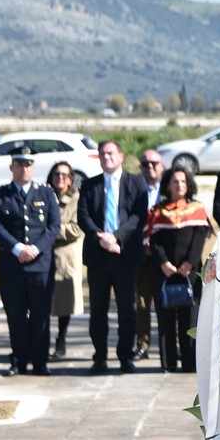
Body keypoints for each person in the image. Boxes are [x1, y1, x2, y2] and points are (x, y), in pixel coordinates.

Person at [0, 148, 61, 376]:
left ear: (34, 167)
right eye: (19, 165)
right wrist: (18, 248)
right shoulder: (0, 195)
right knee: (16, 314)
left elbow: (53, 226)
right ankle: (19, 360)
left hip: (40, 266)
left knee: (40, 315)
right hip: (12, 265)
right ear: (11, 167)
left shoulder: (46, 193)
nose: (24, 169)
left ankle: (40, 361)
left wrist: (35, 249)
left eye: (28, 165)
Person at [78, 140, 149, 375]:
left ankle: (125, 356)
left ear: (120, 156)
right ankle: (99, 357)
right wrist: (101, 238)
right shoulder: (89, 185)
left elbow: (138, 216)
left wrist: (116, 238)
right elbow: (83, 216)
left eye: (110, 153)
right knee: (98, 310)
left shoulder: (136, 183)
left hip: (125, 255)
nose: (106, 157)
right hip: (98, 256)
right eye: (102, 153)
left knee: (127, 310)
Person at [143, 168, 209, 373]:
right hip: (164, 271)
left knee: (190, 318)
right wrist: (164, 263)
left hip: (189, 271)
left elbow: (200, 238)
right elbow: (153, 241)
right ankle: (168, 362)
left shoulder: (197, 208)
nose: (179, 185)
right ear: (167, 185)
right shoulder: (157, 211)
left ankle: (190, 362)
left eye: (183, 181)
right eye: (175, 181)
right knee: (165, 318)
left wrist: (189, 263)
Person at [47, 161, 84, 358]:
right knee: (41, 301)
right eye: (56, 174)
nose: (60, 178)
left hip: (66, 257)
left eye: (64, 175)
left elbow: (77, 228)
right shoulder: (44, 196)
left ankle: (61, 339)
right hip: (44, 255)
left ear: (71, 179)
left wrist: (51, 231)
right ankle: (41, 340)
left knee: (63, 302)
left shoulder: (77, 199)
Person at [132, 149, 165, 362]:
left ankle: (171, 346)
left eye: (154, 163)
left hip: (166, 258)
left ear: (162, 166)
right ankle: (142, 344)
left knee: (168, 303)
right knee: (142, 304)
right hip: (140, 256)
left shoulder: (171, 189)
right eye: (145, 164)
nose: (150, 167)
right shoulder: (134, 189)